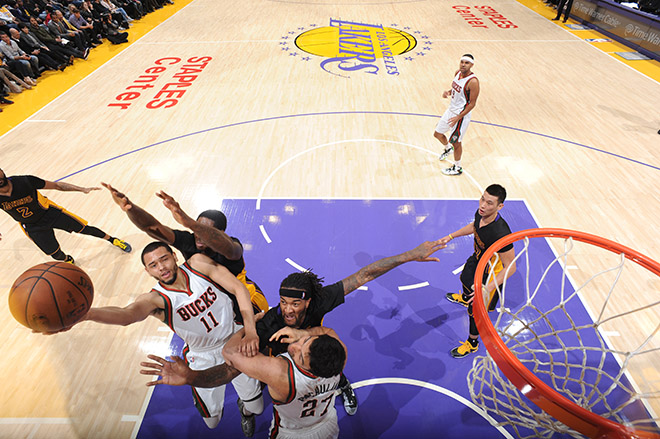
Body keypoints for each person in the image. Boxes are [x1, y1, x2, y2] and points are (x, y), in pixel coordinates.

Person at [139, 239, 447, 417]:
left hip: (315, 351)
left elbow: (365, 274)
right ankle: (254, 406)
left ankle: (342, 385)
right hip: (286, 364)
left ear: (309, 302)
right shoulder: (269, 323)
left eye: (295, 304)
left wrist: (411, 255)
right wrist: (192, 377)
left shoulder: (321, 300)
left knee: (332, 365)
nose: (287, 309)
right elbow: (229, 370)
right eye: (283, 302)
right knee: (276, 390)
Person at [67, 241, 264, 436]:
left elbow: (238, 288)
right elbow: (127, 315)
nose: (161, 267)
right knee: (212, 422)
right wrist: (88, 314)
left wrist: (250, 331)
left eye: (164, 259)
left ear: (174, 256)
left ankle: (245, 411)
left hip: (236, 339)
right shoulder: (155, 299)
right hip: (203, 356)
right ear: (148, 271)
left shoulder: (198, 265)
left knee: (256, 407)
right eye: (153, 265)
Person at [144, 325, 348, 439]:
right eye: (304, 342)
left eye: (300, 357)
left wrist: (245, 329)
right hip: (327, 425)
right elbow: (329, 332)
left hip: (293, 434)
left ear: (309, 368)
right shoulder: (339, 357)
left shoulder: (280, 373)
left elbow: (229, 353)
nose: (294, 348)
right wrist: (303, 334)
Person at [102, 182, 269, 315]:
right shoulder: (189, 241)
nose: (198, 235)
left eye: (203, 230)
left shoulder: (230, 247)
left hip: (247, 300)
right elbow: (152, 227)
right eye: (196, 230)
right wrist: (130, 208)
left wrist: (190, 223)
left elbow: (230, 249)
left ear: (221, 232)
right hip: (214, 301)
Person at [439, 184, 516, 358]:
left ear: (499, 206)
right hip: (478, 260)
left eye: (489, 203)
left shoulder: (501, 233)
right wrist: (451, 236)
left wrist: (487, 288)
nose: (483, 205)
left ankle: (472, 343)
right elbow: (474, 226)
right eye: (482, 199)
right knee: (465, 278)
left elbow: (510, 266)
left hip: (490, 275)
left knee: (476, 311)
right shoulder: (481, 213)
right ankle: (465, 298)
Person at [0, 168, 131, 264]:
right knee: (54, 254)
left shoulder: (25, 181)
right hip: (31, 225)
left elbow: (57, 185)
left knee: (85, 228)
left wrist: (81, 189)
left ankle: (113, 240)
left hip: (50, 212)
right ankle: (68, 260)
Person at [434, 53, 480, 176]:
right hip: (451, 110)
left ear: (472, 65)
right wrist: (448, 92)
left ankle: (457, 167)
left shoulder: (473, 82)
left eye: (467, 63)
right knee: (437, 134)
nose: (463, 65)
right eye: (462, 62)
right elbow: (456, 89)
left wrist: (458, 117)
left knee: (456, 142)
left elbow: (472, 103)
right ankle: (447, 148)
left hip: (461, 115)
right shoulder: (457, 73)